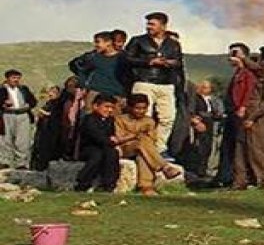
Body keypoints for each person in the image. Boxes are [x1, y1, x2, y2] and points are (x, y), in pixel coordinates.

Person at [123, 12, 184, 154]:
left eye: (152, 24)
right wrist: (149, 61)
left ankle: (159, 148)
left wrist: (170, 63)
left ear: (163, 26)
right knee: (143, 116)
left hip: (166, 83)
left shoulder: (173, 44)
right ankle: (141, 146)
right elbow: (127, 59)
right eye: (148, 24)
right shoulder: (138, 41)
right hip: (144, 81)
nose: (148, 27)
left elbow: (179, 62)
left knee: (168, 117)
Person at [232, 45, 264, 190]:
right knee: (242, 147)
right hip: (253, 115)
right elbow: (255, 67)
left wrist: (252, 118)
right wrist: (243, 58)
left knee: (259, 148)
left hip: (260, 117)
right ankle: (240, 180)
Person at [115, 94, 183, 196]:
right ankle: (165, 167)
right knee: (142, 140)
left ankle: (146, 187)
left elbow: (152, 140)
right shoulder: (120, 119)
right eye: (138, 108)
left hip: (143, 150)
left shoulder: (149, 121)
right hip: (125, 148)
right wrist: (135, 136)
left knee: (142, 156)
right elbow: (119, 138)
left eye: (144, 108)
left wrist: (140, 136)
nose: (141, 111)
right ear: (130, 107)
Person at [215, 43, 253, 187]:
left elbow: (249, 90)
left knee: (238, 144)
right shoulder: (237, 73)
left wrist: (243, 106)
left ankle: (237, 176)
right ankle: (225, 176)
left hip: (239, 111)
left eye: (234, 54)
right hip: (231, 111)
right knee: (228, 145)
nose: (230, 57)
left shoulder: (247, 73)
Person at [68, 31, 126, 107]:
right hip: (95, 93)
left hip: (116, 94)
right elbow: (79, 68)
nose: (96, 45)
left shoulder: (123, 57)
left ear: (108, 42)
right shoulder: (93, 57)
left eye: (98, 42)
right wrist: (83, 85)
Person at [73, 96, 119, 192]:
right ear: (95, 106)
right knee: (97, 155)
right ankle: (83, 182)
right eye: (106, 107)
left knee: (112, 153)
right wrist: (110, 141)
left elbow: (111, 135)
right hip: (87, 148)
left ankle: (109, 184)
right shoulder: (89, 119)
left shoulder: (110, 121)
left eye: (112, 108)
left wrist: (111, 141)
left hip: (104, 147)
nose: (109, 110)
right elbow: (97, 136)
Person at [184, 80, 223, 179]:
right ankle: (198, 171)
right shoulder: (195, 98)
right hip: (201, 123)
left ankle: (205, 170)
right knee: (200, 148)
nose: (206, 89)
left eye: (208, 87)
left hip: (212, 123)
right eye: (204, 87)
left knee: (208, 148)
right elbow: (193, 111)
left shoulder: (213, 99)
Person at [0, 69, 38, 170]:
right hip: (7, 115)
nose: (16, 80)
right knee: (5, 139)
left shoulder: (23, 89)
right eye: (13, 78)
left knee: (23, 140)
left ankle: (21, 163)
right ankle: (4, 162)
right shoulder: (2, 90)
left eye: (18, 78)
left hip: (22, 115)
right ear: (7, 78)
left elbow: (33, 101)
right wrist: (3, 104)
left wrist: (28, 105)